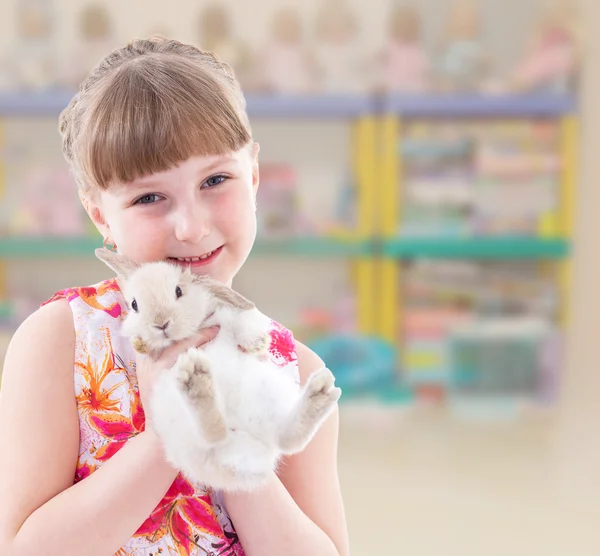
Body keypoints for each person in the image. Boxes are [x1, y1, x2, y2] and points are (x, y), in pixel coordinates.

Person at [0, 37, 349, 556]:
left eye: (216, 179)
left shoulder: (291, 369)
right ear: (100, 214)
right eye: (149, 197)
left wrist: (227, 439)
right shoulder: (62, 340)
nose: (190, 226)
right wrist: (169, 433)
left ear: (253, 175)